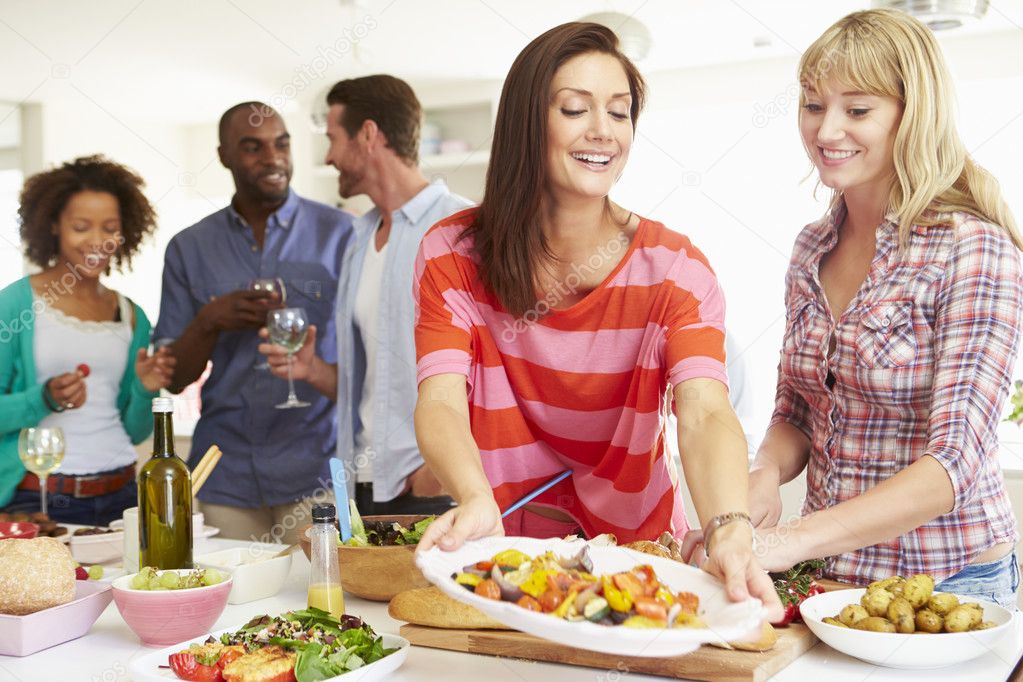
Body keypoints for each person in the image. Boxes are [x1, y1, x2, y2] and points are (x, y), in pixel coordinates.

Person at [410, 22, 782, 617]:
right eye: (575, 109)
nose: (603, 132)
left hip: (643, 561)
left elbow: (707, 410)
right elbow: (441, 400)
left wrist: (729, 525)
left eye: (620, 112)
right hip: (509, 562)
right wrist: (473, 495)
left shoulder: (676, 270)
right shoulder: (451, 254)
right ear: (527, 123)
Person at [730, 9, 1021, 608]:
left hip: (947, 586)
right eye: (813, 106)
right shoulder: (812, 247)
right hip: (829, 579)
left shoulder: (973, 247)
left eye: (857, 110)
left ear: (913, 115)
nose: (827, 130)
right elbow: (797, 414)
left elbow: (953, 464)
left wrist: (783, 541)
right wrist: (760, 478)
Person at [259, 76, 471, 516]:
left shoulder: (462, 228)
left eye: (334, 139)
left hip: (433, 484)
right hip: (365, 483)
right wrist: (313, 370)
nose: (329, 156)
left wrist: (436, 472)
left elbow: (500, 367)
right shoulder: (358, 238)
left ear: (369, 135)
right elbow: (375, 384)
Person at [154, 102, 352, 544]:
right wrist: (209, 321)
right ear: (224, 155)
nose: (273, 158)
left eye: (282, 144)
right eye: (253, 147)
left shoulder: (343, 235)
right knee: (237, 601)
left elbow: (371, 367)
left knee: (319, 601)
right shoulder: (189, 248)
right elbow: (174, 378)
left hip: (316, 466)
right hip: (226, 472)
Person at [0, 155, 173, 525]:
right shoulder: (15, 305)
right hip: (40, 497)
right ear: (52, 226)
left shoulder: (131, 314)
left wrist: (145, 390)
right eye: (81, 226)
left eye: (110, 228)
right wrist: (42, 398)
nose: (97, 241)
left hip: (124, 492)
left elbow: (136, 431)